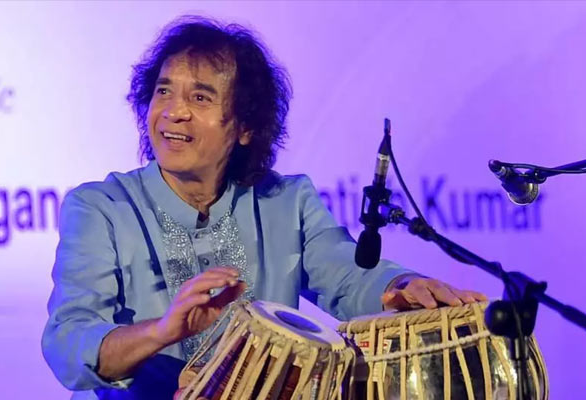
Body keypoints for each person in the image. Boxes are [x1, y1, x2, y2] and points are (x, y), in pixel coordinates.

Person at [41, 16, 486, 400]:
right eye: (163, 91)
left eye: (200, 97)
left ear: (246, 127)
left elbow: (349, 275)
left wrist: (400, 287)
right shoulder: (101, 208)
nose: (174, 112)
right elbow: (68, 341)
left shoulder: (287, 202)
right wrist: (163, 331)